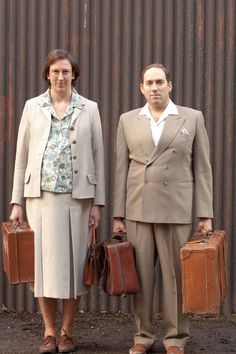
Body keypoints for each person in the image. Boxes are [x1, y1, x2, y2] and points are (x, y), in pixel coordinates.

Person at [112, 63, 213, 354]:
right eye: (149, 83)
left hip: (175, 209)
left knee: (174, 279)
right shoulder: (128, 120)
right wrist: (118, 215)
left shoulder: (191, 118)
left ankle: (175, 338)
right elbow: (121, 170)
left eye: (160, 82)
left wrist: (205, 214)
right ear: (141, 88)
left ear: (170, 85)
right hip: (138, 209)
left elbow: (203, 169)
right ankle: (142, 336)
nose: (154, 87)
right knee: (141, 278)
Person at [9, 49, 105, 353]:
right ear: (47, 75)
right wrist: (16, 202)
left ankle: (67, 332)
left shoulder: (89, 108)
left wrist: (98, 204)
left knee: (74, 267)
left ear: (73, 74)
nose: (60, 77)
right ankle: (49, 332)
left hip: (78, 200)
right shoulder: (32, 107)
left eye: (65, 71)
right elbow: (21, 157)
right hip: (40, 199)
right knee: (43, 268)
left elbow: (99, 158)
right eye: (55, 72)